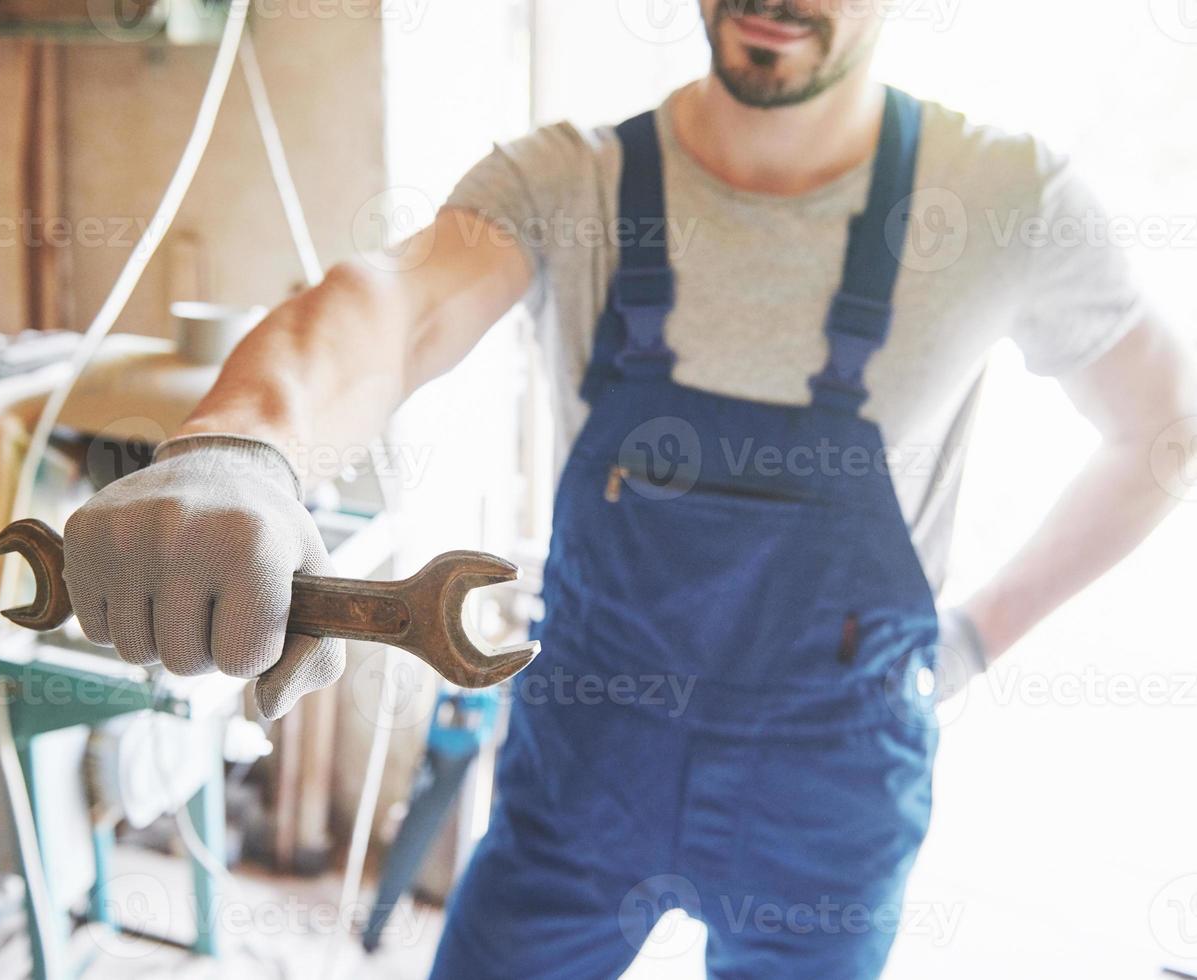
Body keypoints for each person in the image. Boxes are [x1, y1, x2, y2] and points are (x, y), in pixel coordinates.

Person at [60, 2, 1197, 975]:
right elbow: (397, 303)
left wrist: (976, 636)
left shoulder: (1005, 196)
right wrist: (240, 445)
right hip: (586, 757)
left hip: (829, 782)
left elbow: (1161, 431)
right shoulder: (572, 179)